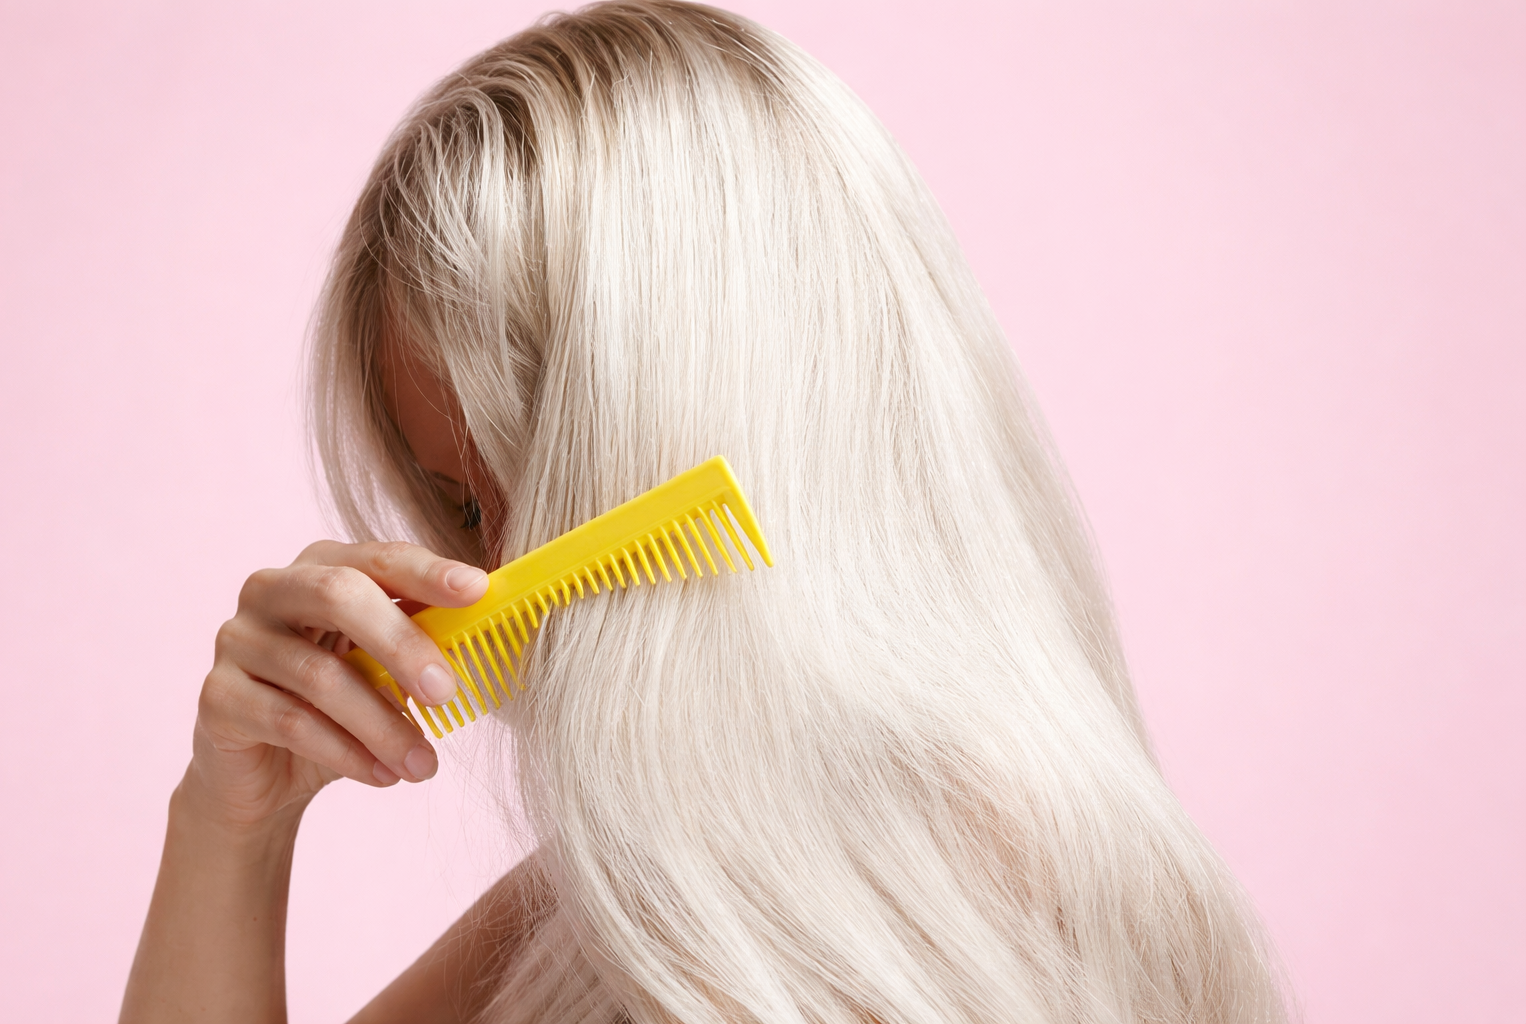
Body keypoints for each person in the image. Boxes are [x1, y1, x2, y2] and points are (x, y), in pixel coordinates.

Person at [121, 3, 1289, 1022]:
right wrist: (231, 824)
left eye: (549, 479)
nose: (502, 572)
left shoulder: (1010, 878)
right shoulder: (595, 923)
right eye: (466, 507)